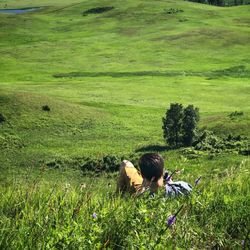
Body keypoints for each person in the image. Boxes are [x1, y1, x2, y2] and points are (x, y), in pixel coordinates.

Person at [117, 152, 192, 197]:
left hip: (143, 187)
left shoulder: (143, 198)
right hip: (164, 184)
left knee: (125, 163)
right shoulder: (183, 187)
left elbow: (133, 200)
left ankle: (116, 196)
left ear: (142, 176)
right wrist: (170, 183)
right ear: (163, 172)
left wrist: (142, 188)